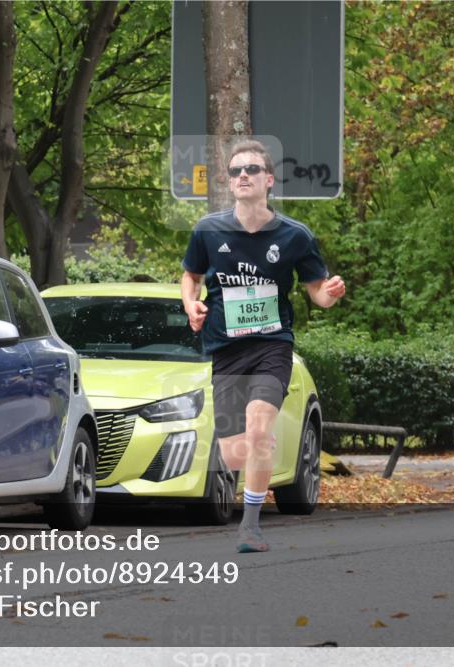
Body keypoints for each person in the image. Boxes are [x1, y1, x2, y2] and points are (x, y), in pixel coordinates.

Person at [181, 140, 345, 553]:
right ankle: (252, 478)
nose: (243, 176)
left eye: (251, 169)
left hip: (272, 345)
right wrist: (191, 306)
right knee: (235, 453)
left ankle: (250, 528)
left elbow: (316, 294)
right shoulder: (208, 230)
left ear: (268, 180)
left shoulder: (294, 236)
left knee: (258, 431)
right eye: (236, 171)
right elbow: (190, 276)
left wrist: (331, 293)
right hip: (226, 349)